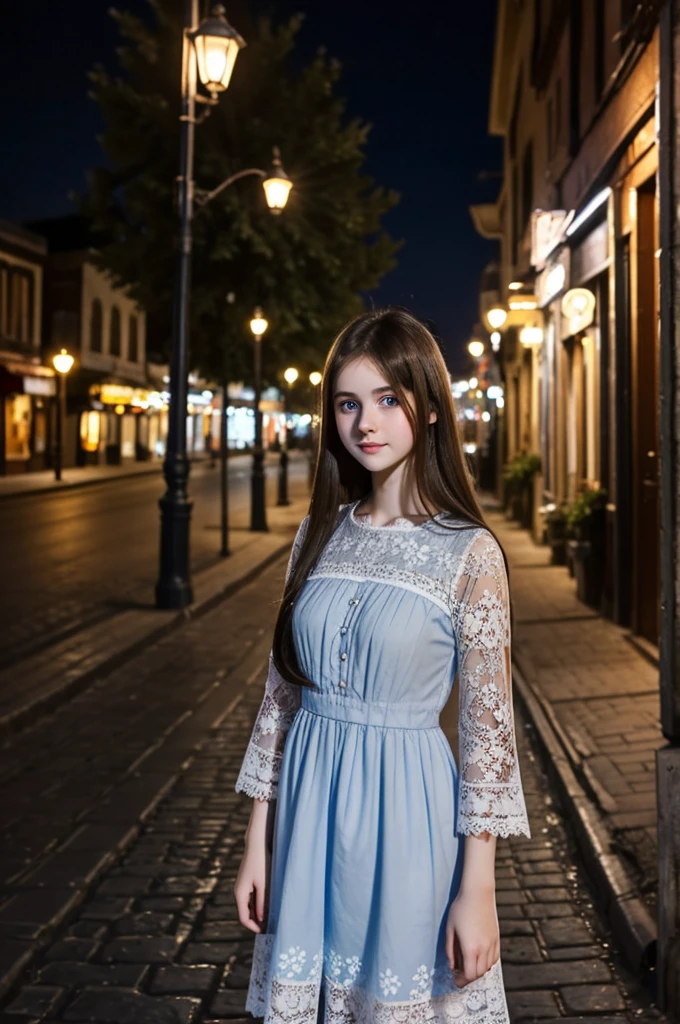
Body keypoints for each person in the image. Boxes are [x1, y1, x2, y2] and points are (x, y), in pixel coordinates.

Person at [234, 308, 530, 1024]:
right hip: (307, 817)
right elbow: (281, 700)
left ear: (427, 406)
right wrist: (257, 841)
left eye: (387, 399)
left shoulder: (470, 553)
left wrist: (477, 890)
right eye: (348, 403)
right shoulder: (318, 533)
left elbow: (488, 736)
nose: (365, 422)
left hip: (408, 820)